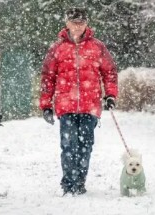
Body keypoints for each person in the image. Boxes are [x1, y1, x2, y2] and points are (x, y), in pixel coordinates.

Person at [39, 7, 118, 195]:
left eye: (81, 23)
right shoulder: (57, 48)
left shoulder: (97, 46)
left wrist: (111, 95)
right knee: (68, 146)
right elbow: (47, 78)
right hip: (66, 106)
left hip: (90, 106)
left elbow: (110, 72)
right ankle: (67, 184)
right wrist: (46, 105)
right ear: (66, 23)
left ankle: (80, 183)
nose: (77, 26)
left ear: (86, 24)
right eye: (74, 23)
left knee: (85, 146)